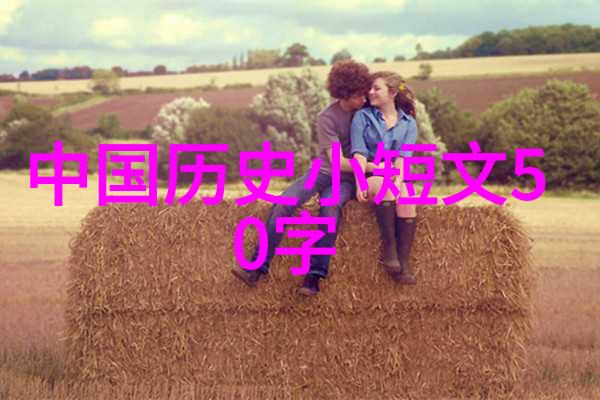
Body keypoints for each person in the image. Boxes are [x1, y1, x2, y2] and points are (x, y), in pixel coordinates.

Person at [231, 60, 381, 296]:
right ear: (344, 93)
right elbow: (336, 162)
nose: (365, 98)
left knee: (330, 207)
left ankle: (314, 277)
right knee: (283, 204)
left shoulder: (366, 113)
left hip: (348, 179)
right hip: (323, 172)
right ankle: (256, 268)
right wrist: (373, 166)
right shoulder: (327, 118)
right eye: (359, 95)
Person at [350, 71, 418, 285]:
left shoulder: (409, 123)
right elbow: (359, 153)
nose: (370, 92)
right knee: (385, 186)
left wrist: (399, 180)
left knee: (408, 199)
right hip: (370, 175)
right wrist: (360, 181)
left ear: (392, 92)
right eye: (370, 88)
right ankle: (389, 249)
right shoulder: (362, 117)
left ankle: (403, 262)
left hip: (395, 174)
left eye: (376, 88)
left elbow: (403, 158)